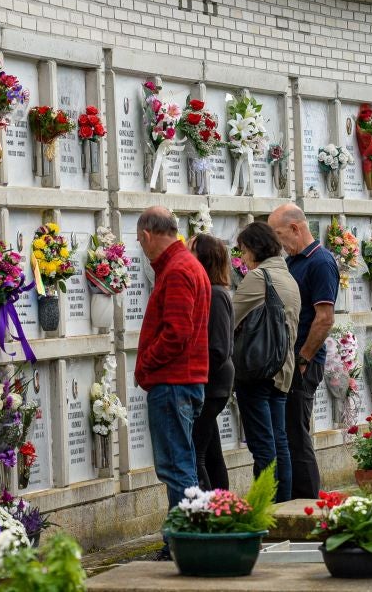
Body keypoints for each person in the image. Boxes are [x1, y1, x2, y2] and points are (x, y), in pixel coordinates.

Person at [133, 206, 210, 560]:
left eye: (140, 241)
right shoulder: (186, 265)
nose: (141, 247)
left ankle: (184, 542)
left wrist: (145, 364)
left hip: (173, 382)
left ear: (148, 235)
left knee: (175, 466)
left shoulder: (178, 270)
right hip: (184, 381)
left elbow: (177, 333)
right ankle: (186, 538)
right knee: (183, 463)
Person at [267, 203, 338, 499]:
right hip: (291, 360)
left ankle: (308, 503)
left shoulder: (320, 262)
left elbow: (325, 318)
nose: (279, 243)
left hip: (303, 361)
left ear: (295, 228)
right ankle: (294, 499)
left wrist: (303, 357)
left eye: (279, 235)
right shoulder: (294, 260)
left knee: (296, 434)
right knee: (287, 433)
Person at [231, 221, 301, 502]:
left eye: (243, 250)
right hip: (282, 370)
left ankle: (266, 508)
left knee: (262, 446)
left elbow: (230, 318)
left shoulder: (259, 277)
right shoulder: (288, 277)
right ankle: (284, 507)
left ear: (254, 248)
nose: (243, 257)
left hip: (257, 370)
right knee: (279, 442)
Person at [187, 233, 233, 491]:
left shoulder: (215, 294)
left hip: (212, 384)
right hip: (211, 383)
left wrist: (193, 374)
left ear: (203, 258)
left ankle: (205, 508)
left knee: (197, 453)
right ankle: (223, 503)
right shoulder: (212, 291)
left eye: (190, 251)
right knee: (212, 452)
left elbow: (218, 348)